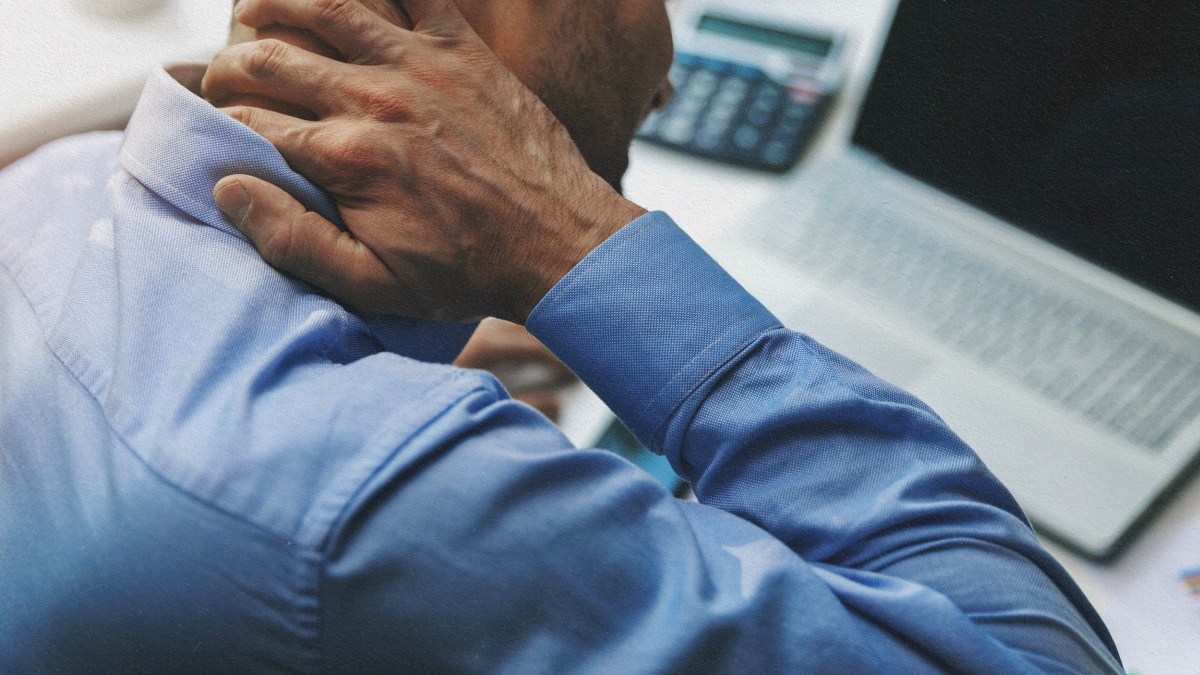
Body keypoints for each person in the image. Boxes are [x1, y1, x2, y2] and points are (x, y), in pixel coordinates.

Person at [0, 0, 1122, 672]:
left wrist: (408, 348)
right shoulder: (372, 495)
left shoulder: (49, 191)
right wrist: (581, 247)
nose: (670, 64)